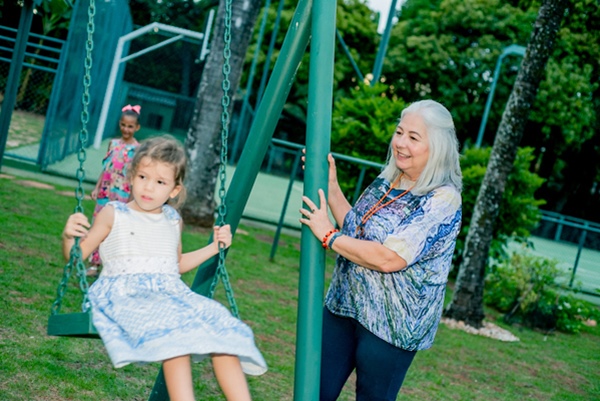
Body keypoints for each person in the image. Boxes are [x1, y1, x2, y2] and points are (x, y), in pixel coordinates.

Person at [62, 135, 267, 401]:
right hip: (124, 295)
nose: (148, 188)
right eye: (143, 177)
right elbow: (75, 261)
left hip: (168, 293)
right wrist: (68, 238)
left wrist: (214, 247)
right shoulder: (114, 214)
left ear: (173, 190)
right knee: (176, 336)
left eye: (160, 182)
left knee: (222, 326)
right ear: (132, 176)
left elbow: (175, 266)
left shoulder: (172, 219)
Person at [299, 100, 462, 401]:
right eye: (400, 132)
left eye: (413, 137)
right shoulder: (389, 180)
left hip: (392, 328)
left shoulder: (443, 199)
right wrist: (331, 185)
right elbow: (355, 228)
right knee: (312, 393)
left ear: (437, 147)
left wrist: (328, 236)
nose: (400, 143)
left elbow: (390, 258)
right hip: (344, 306)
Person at [87, 104, 142, 276]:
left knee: (117, 229)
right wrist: (97, 188)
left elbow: (136, 175)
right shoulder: (113, 143)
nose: (126, 129)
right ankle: (94, 264)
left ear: (137, 127)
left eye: (130, 126)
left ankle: (111, 266)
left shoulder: (138, 149)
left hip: (122, 194)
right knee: (98, 226)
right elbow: (106, 167)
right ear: (120, 124)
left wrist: (133, 199)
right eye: (124, 125)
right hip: (106, 191)